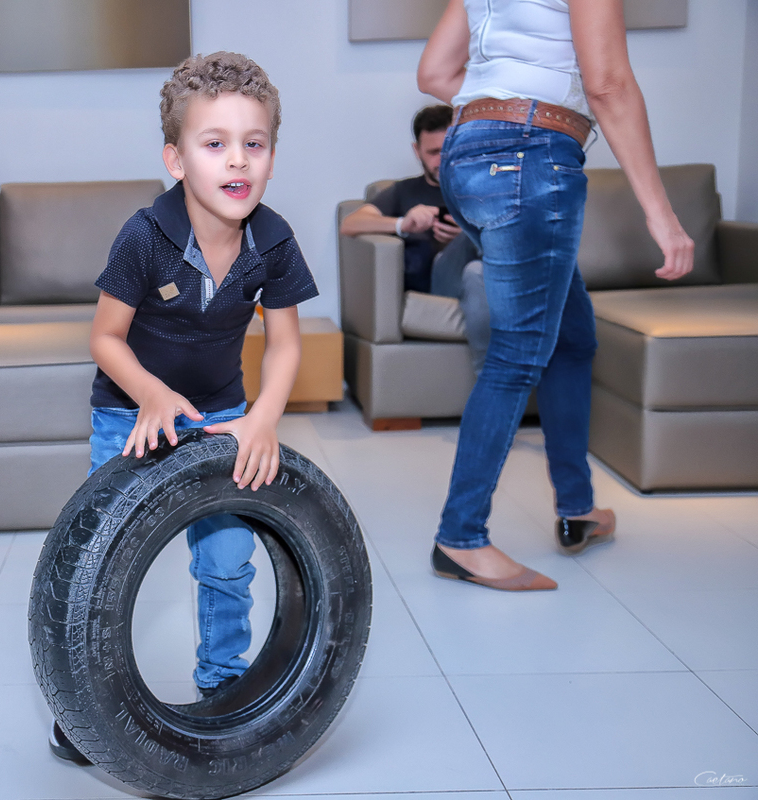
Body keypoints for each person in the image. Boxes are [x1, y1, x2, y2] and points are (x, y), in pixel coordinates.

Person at [49, 51, 319, 763]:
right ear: (176, 159)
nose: (238, 160)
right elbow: (104, 339)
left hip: (222, 416)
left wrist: (262, 418)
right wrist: (152, 393)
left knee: (228, 562)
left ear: (272, 155)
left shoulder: (274, 240)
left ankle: (223, 683)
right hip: (129, 415)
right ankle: (84, 704)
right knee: (102, 569)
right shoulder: (145, 235)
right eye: (215, 143)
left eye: (254, 143)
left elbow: (286, 344)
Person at [417, 0, 694, 589]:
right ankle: (460, 537)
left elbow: (434, 73)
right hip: (530, 155)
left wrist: (496, 106)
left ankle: (578, 508)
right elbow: (608, 85)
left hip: (467, 154)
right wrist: (662, 215)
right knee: (517, 355)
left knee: (571, 337)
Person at [340, 104, 489, 372]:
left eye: (449, 150)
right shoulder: (404, 191)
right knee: (475, 242)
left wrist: (466, 231)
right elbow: (350, 224)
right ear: (417, 150)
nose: (442, 160)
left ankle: (489, 378)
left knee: (476, 271)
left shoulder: (478, 189)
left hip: (480, 276)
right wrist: (403, 224)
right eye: (433, 152)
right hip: (436, 283)